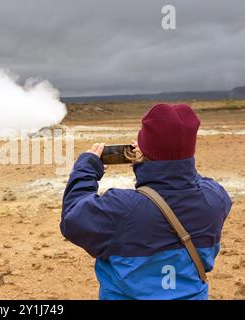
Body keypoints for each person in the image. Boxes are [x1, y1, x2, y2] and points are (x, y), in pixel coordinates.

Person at [60, 103, 232, 300]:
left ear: (143, 150)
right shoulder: (215, 199)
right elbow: (191, 181)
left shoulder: (121, 207)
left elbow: (72, 218)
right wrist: (175, 160)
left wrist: (86, 168)